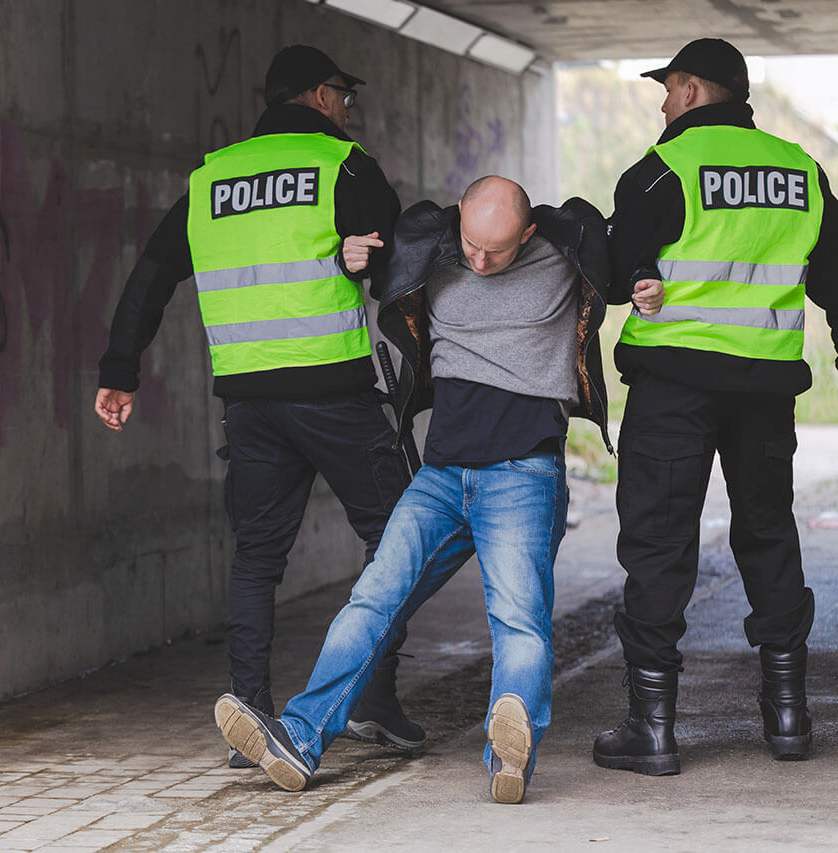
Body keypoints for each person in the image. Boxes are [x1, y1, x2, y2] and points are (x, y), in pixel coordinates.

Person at [214, 176, 622, 803]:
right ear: (458, 219)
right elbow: (386, 253)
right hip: (439, 477)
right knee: (371, 602)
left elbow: (611, 246)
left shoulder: (566, 258)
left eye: (498, 250)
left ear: (530, 232)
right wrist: (349, 256)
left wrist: (643, 281)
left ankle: (508, 752)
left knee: (519, 621)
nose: (480, 262)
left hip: (522, 475)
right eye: (472, 245)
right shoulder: (432, 253)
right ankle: (298, 738)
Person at [94, 45, 425, 766]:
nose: (348, 107)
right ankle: (369, 697)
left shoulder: (212, 180)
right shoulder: (344, 166)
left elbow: (151, 275)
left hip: (247, 399)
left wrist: (121, 368)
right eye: (343, 93)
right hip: (333, 390)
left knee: (256, 559)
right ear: (315, 95)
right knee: (403, 534)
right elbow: (399, 266)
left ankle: (251, 710)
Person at [593, 38, 838, 776]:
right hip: (763, 389)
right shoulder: (803, 171)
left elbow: (608, 276)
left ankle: (654, 728)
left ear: (694, 89)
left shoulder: (663, 168)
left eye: (667, 90)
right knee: (767, 529)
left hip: (673, 387)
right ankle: (788, 718)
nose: (664, 104)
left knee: (661, 537)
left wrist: (633, 272)